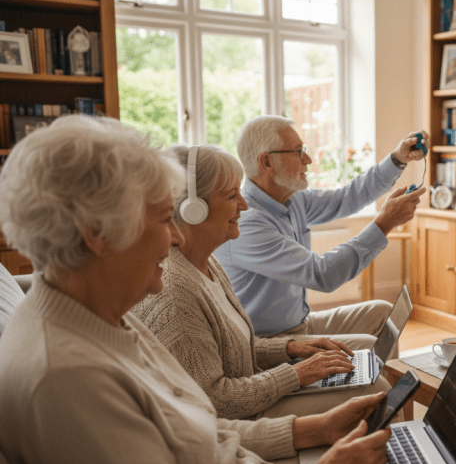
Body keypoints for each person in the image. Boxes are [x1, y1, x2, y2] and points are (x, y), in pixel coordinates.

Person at [0, 115, 456, 464]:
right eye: (164, 218)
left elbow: (195, 428)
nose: (174, 237)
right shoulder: (67, 376)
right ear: (98, 233)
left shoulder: (102, 315)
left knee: (410, 460)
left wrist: (313, 429)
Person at [133, 144, 393, 420]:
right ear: (192, 210)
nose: (244, 205)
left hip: (255, 388)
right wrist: (295, 373)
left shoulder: (206, 264)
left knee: (366, 364)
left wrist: (289, 347)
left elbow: (234, 350)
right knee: (375, 387)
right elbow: (216, 402)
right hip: (241, 418)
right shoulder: (177, 294)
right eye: (233, 195)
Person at [215, 115, 427, 356]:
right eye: (297, 151)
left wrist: (398, 159)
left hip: (301, 324)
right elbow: (322, 274)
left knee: (382, 312)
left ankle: (386, 389)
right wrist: (385, 223)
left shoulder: (291, 200)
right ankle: (377, 389)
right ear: (267, 162)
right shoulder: (248, 222)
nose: (308, 159)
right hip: (272, 344)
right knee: (370, 347)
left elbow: (346, 198)